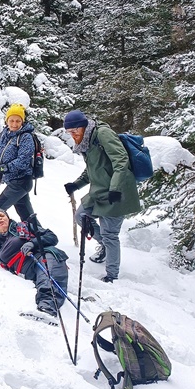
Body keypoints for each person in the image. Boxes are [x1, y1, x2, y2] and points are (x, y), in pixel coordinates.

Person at [62, 109, 141, 283]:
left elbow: (121, 160)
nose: (73, 135)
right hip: (99, 191)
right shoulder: (87, 141)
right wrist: (77, 184)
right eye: (69, 132)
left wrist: (115, 188)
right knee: (81, 215)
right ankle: (104, 246)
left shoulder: (102, 134)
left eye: (75, 130)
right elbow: (93, 168)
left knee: (110, 234)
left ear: (83, 126)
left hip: (117, 191)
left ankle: (112, 275)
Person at [0, 209, 69, 316]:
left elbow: (52, 237)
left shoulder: (23, 227)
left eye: (2, 215)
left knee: (47, 278)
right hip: (29, 272)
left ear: (8, 218)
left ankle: (47, 309)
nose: (0, 218)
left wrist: (33, 243)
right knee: (43, 280)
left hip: (45, 257)